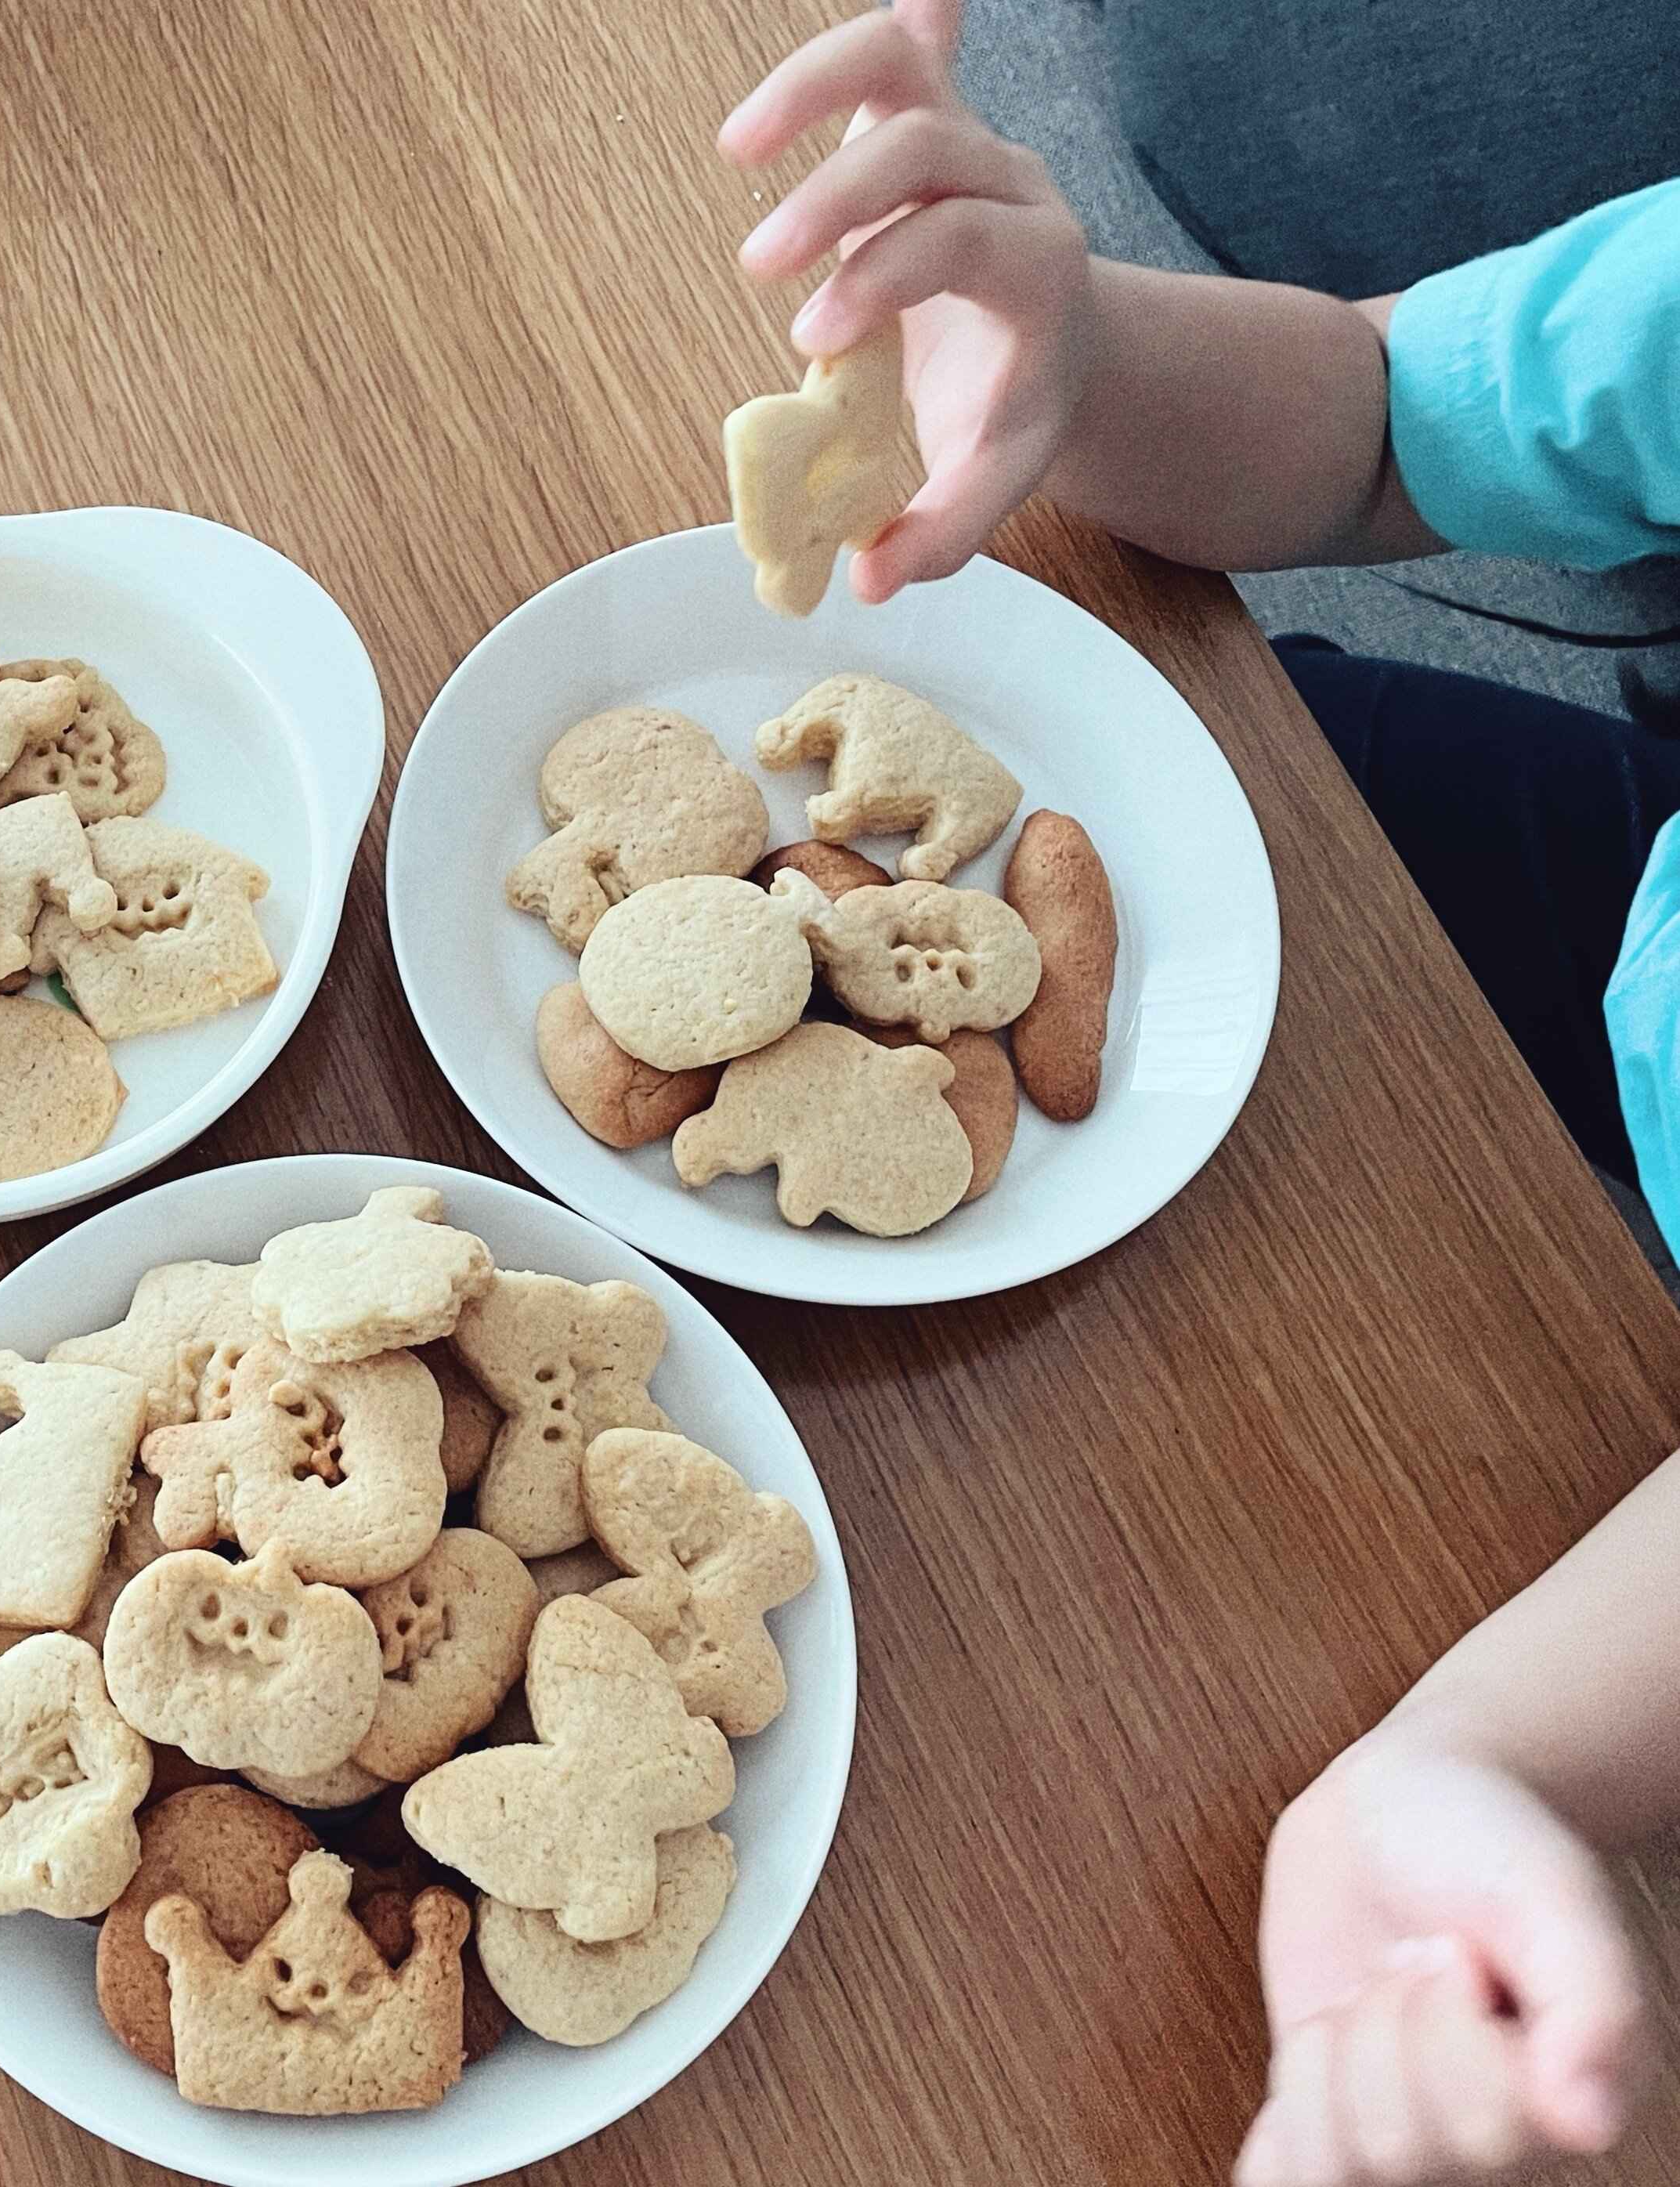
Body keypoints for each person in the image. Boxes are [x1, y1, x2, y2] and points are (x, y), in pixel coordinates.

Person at [719, 5, 1678, 2180]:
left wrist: (1474, 1756)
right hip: (1644, 906)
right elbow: (1373, 425)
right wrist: (1081, 355)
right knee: (1277, 750)